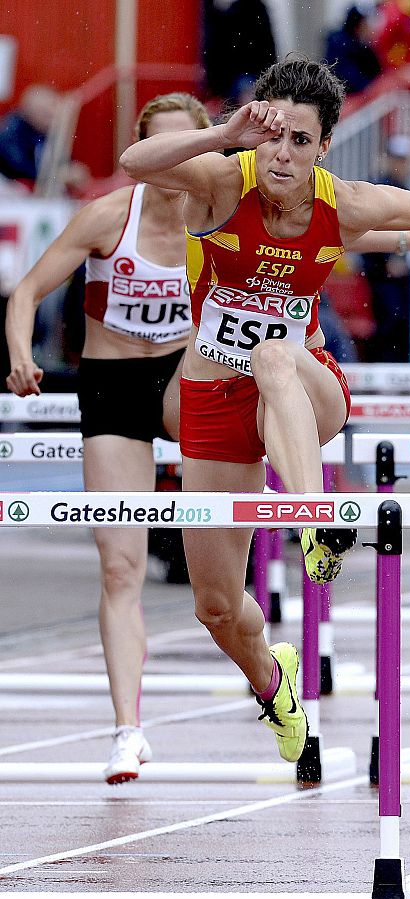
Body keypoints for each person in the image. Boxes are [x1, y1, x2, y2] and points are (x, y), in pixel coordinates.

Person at [118, 58, 410, 764]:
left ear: (325, 147)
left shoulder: (344, 202)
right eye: (272, 138)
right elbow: (134, 159)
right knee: (217, 607)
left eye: (299, 140)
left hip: (305, 387)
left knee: (272, 355)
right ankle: (272, 681)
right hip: (212, 401)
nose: (281, 155)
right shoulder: (221, 184)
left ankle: (314, 518)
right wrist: (223, 134)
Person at [4, 94, 209, 784]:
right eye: (162, 151)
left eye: (190, 150)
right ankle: (128, 730)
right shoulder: (105, 219)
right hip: (115, 385)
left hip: (185, 376)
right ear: (138, 154)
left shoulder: (221, 223)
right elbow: (26, 289)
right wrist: (20, 353)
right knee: (120, 567)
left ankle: (292, 504)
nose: (176, 165)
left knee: (219, 583)